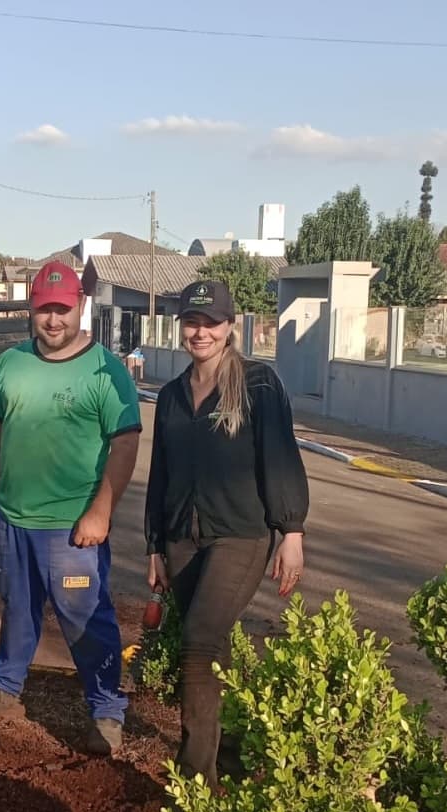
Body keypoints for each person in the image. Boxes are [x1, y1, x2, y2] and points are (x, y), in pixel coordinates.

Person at [0, 261, 141, 755]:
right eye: (44, 309)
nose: (53, 320)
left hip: (72, 526)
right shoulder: (10, 364)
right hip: (14, 518)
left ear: (79, 307)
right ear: (31, 308)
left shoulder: (106, 370)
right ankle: (4, 689)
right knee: (18, 608)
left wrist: (101, 510)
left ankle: (106, 711)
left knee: (86, 618)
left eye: (62, 309)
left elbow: (125, 444)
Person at [145, 279, 308, 786]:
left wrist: (292, 532)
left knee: (198, 639)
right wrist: (154, 544)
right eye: (192, 322)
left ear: (231, 326)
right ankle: (233, 756)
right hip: (182, 537)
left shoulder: (258, 383)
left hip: (240, 534)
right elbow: (160, 474)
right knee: (216, 647)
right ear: (180, 327)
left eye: (211, 322)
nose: (200, 332)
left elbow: (279, 457)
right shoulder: (171, 395)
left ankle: (195, 780)